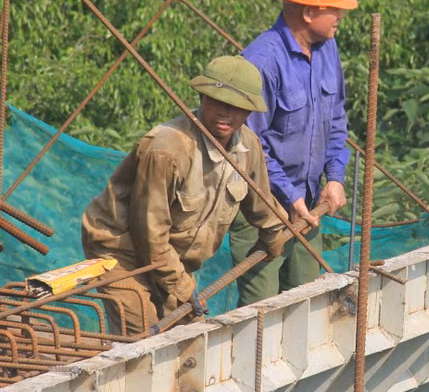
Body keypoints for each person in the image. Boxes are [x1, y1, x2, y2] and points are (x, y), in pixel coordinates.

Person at [81, 56, 288, 337]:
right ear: (202, 98)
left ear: (249, 111)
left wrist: (275, 233)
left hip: (172, 260)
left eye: (236, 107)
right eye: (217, 102)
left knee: (188, 338)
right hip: (122, 253)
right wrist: (180, 285)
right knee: (144, 339)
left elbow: (261, 204)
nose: (225, 113)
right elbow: (149, 233)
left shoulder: (248, 147)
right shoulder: (167, 150)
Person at [229, 0, 357, 305]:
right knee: (262, 313)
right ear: (309, 11)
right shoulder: (263, 61)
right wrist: (290, 196)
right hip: (260, 207)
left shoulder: (327, 47)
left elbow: (336, 118)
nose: (341, 17)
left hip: (307, 201)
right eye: (335, 9)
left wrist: (335, 176)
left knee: (306, 301)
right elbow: (248, 146)